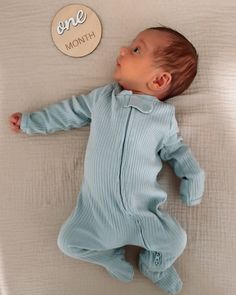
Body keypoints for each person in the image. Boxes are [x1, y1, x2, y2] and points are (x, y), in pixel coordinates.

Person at [9, 26, 205, 294]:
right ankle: (108, 257)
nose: (123, 50)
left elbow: (178, 151)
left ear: (158, 81)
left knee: (176, 240)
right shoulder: (103, 99)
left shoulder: (162, 119)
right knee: (67, 242)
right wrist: (32, 122)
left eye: (137, 50)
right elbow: (68, 112)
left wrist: (193, 177)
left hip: (142, 215)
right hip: (98, 217)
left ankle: (154, 264)